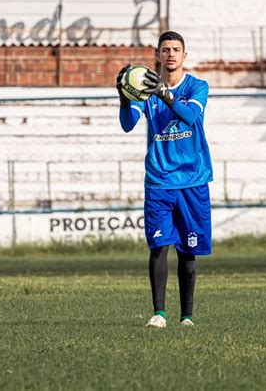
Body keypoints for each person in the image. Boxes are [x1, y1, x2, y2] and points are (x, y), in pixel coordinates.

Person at [116, 31, 213, 328]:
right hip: (159, 181)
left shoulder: (197, 86)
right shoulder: (144, 89)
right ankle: (159, 314)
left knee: (188, 250)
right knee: (159, 246)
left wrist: (164, 93)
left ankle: (187, 317)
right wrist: (124, 98)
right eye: (165, 49)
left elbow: (189, 118)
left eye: (176, 50)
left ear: (184, 56)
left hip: (192, 180)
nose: (171, 54)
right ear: (157, 55)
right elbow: (127, 125)